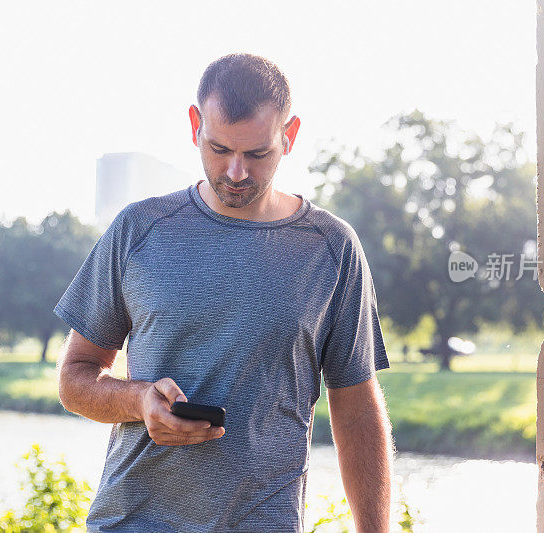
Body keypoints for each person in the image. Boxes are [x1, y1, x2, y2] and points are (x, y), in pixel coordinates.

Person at [54, 52, 394, 533]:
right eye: (219, 148)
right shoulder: (139, 229)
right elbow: (74, 379)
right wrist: (140, 401)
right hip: (133, 522)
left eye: (257, 154)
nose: (236, 172)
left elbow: (357, 406)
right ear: (195, 125)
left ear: (289, 136)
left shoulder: (331, 248)